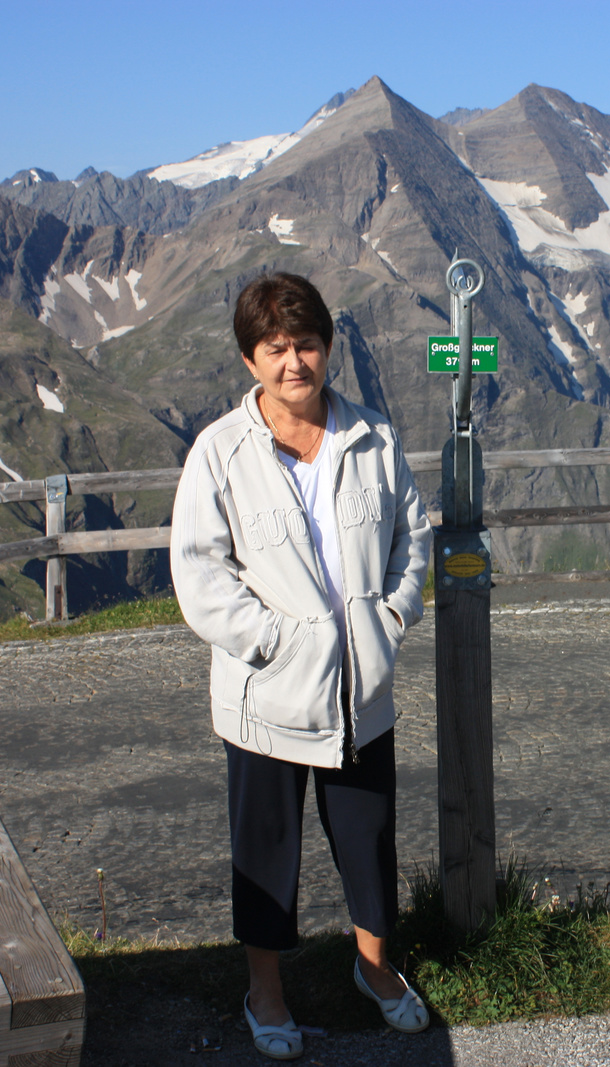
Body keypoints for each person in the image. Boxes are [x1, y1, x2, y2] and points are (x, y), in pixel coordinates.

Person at [171, 272, 432, 1061]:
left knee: (368, 836)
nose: (295, 362)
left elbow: (411, 540)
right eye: (276, 348)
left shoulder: (374, 440)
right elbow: (199, 574)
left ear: (328, 347)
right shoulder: (220, 452)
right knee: (266, 849)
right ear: (250, 358)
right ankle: (267, 991)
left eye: (307, 344)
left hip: (361, 691)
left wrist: (389, 617)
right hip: (268, 699)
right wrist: (276, 645)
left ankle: (375, 970)